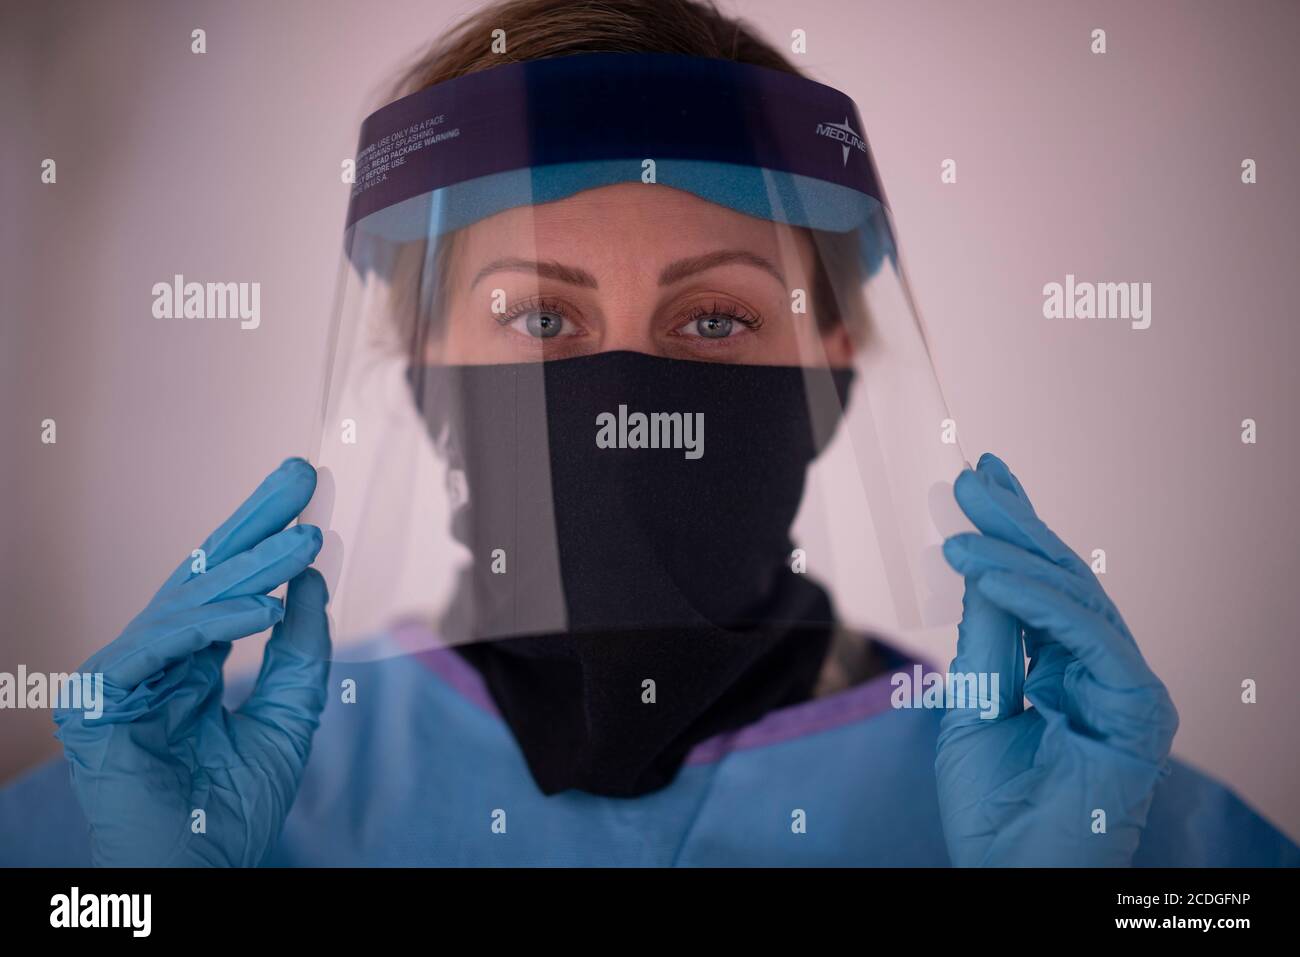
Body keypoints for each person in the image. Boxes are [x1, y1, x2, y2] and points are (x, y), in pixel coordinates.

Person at [2, 0, 1296, 867]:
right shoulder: (178, 790)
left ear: (836, 356)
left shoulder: (1097, 806)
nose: (625, 392)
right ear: (422, 364)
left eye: (719, 319)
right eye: (541, 322)